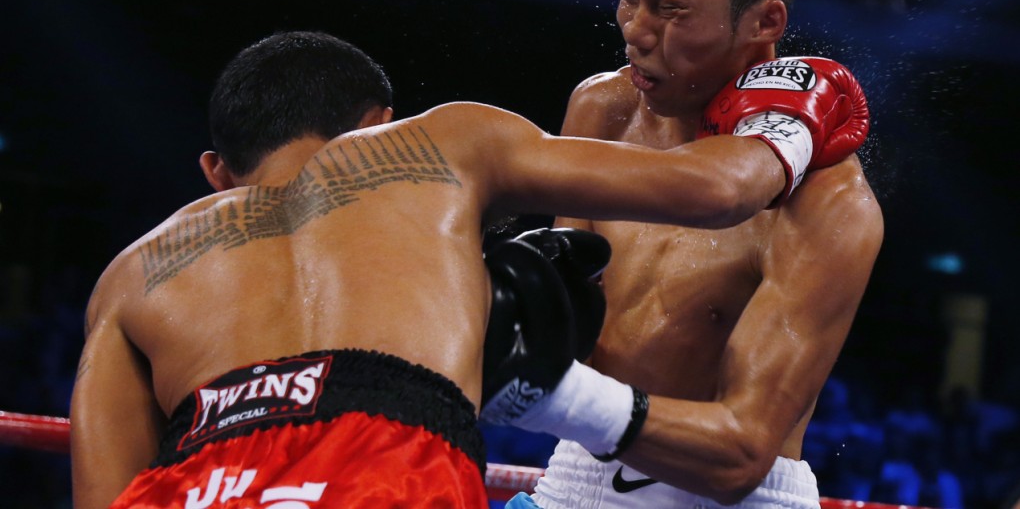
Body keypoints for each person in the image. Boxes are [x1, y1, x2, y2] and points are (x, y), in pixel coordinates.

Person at [69, 29, 865, 508]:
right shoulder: (433, 149)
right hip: (379, 468)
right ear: (380, 128)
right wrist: (789, 125)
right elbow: (721, 187)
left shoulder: (132, 272)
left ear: (217, 171)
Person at [529, 0, 884, 509]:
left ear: (765, 21)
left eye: (671, 8)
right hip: (577, 473)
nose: (636, 29)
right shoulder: (600, 110)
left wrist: (530, 388)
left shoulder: (829, 200)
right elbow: (562, 318)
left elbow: (742, 454)